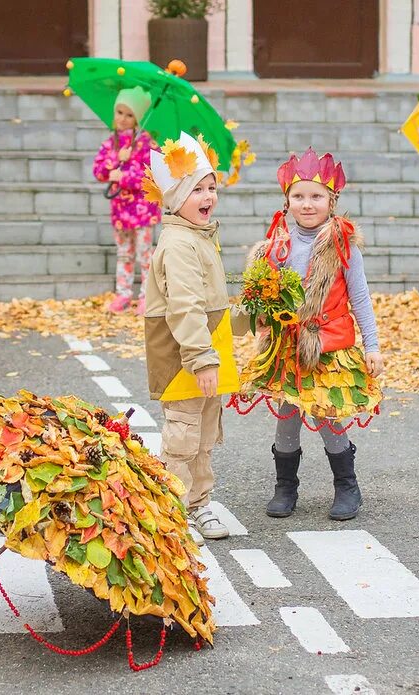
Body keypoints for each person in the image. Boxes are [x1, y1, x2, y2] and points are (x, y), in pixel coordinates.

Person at [236, 148, 384, 521]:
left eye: (316, 196)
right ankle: (285, 487)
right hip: (288, 346)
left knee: (327, 416)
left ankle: (347, 485)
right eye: (299, 196)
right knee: (286, 417)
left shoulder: (343, 245)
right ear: (286, 201)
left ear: (331, 201)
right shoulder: (277, 246)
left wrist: (373, 346)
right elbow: (266, 297)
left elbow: (360, 298)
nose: (307, 204)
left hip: (326, 345)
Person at [141, 131, 243, 544]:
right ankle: (174, 510)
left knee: (203, 437)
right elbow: (185, 307)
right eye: (196, 189)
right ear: (174, 198)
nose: (208, 196)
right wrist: (202, 359)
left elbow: (211, 305)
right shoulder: (179, 244)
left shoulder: (199, 237)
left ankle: (199, 503)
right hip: (187, 358)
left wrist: (249, 317)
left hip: (205, 354)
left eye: (211, 187)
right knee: (182, 437)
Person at [92, 87, 160, 315]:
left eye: (129, 115)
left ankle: (147, 296)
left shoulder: (147, 143)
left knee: (145, 253)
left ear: (138, 119)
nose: (122, 118)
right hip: (120, 211)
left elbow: (152, 173)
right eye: (119, 112)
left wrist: (126, 176)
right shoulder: (110, 144)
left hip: (143, 211)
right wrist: (114, 163)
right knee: (124, 252)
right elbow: (99, 170)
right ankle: (123, 293)